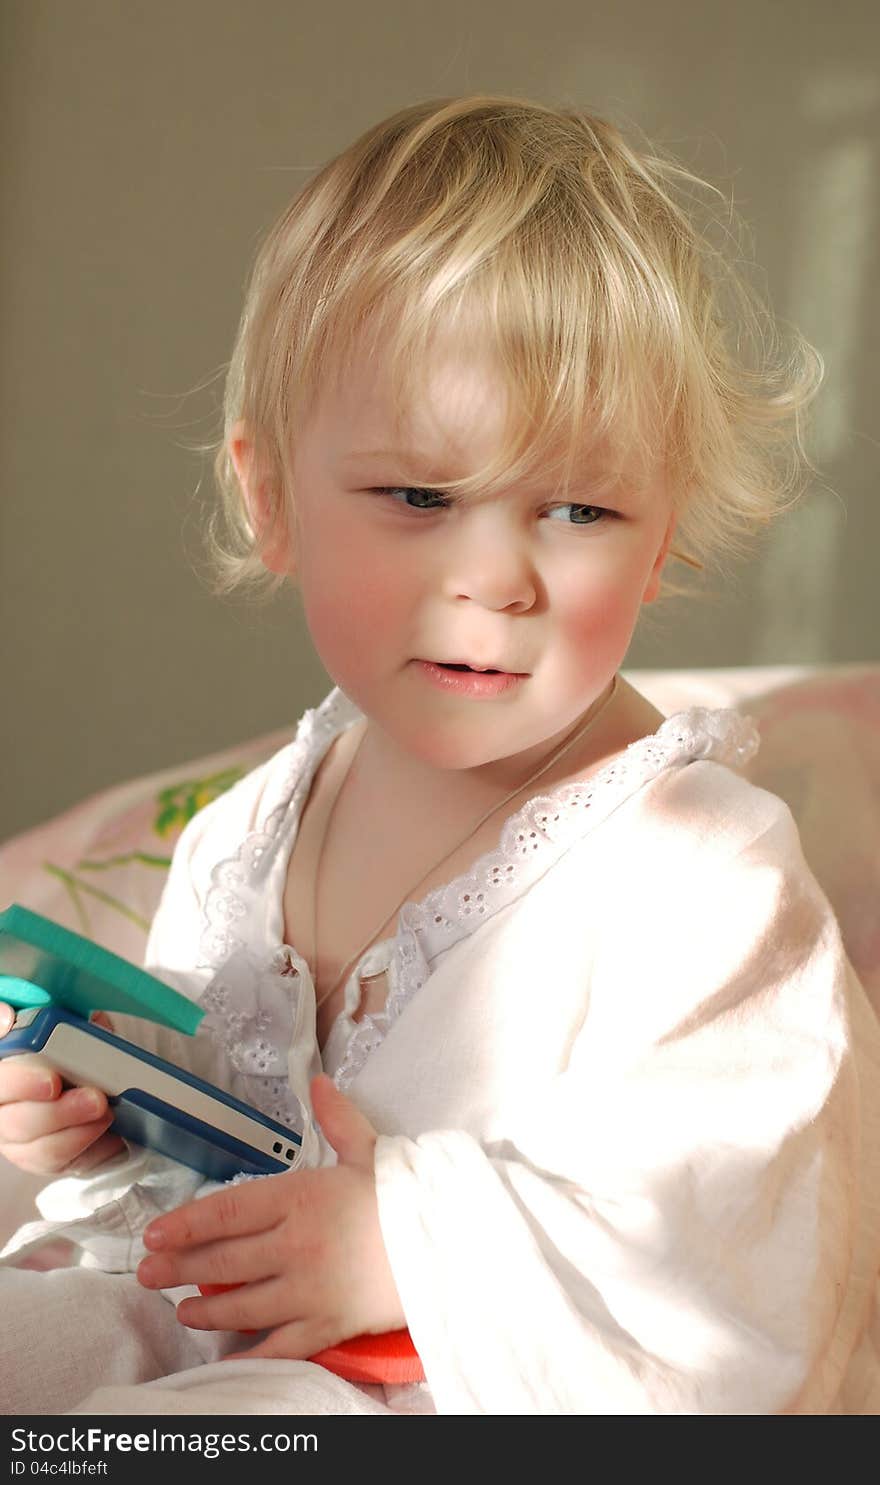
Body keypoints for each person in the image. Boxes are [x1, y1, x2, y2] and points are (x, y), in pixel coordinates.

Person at [1, 94, 878, 1416]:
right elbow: (178, 1228)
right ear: (271, 495)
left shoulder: (702, 877)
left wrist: (404, 1248)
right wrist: (96, 1133)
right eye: (420, 496)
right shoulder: (245, 834)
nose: (493, 577)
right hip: (231, 1345)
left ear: (663, 539)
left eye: (579, 507)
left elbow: (749, 1282)